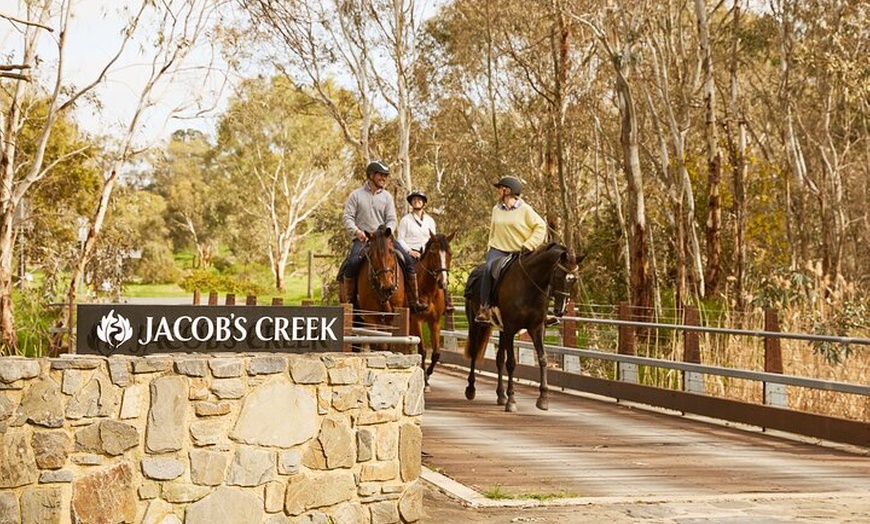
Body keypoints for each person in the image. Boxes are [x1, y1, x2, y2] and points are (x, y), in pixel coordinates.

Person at [339, 160, 428, 314]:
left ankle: (414, 301)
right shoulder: (356, 195)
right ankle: (350, 303)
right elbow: (347, 217)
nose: (384, 178)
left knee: (407, 261)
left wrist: (388, 231)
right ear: (371, 175)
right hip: (364, 239)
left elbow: (392, 219)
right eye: (380, 175)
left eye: (385, 176)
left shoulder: (387, 197)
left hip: (385, 239)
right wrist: (357, 231)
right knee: (353, 262)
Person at [476, 175, 547, 323]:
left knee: (540, 271)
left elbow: (540, 226)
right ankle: (484, 307)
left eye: (500, 189)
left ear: (507, 191)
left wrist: (530, 244)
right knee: (488, 268)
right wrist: (490, 247)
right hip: (499, 249)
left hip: (522, 250)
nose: (498, 191)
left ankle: (544, 311)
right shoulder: (496, 209)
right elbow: (493, 231)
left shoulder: (525, 210)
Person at [396, 189, 455, 313]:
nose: (417, 201)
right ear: (411, 202)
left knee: (441, 267)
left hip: (426, 252)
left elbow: (433, 240)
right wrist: (409, 251)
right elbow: (400, 239)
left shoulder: (430, 221)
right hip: (410, 252)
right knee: (407, 270)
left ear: (423, 202)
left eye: (419, 199)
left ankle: (445, 301)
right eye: (414, 199)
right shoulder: (405, 220)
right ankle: (412, 299)